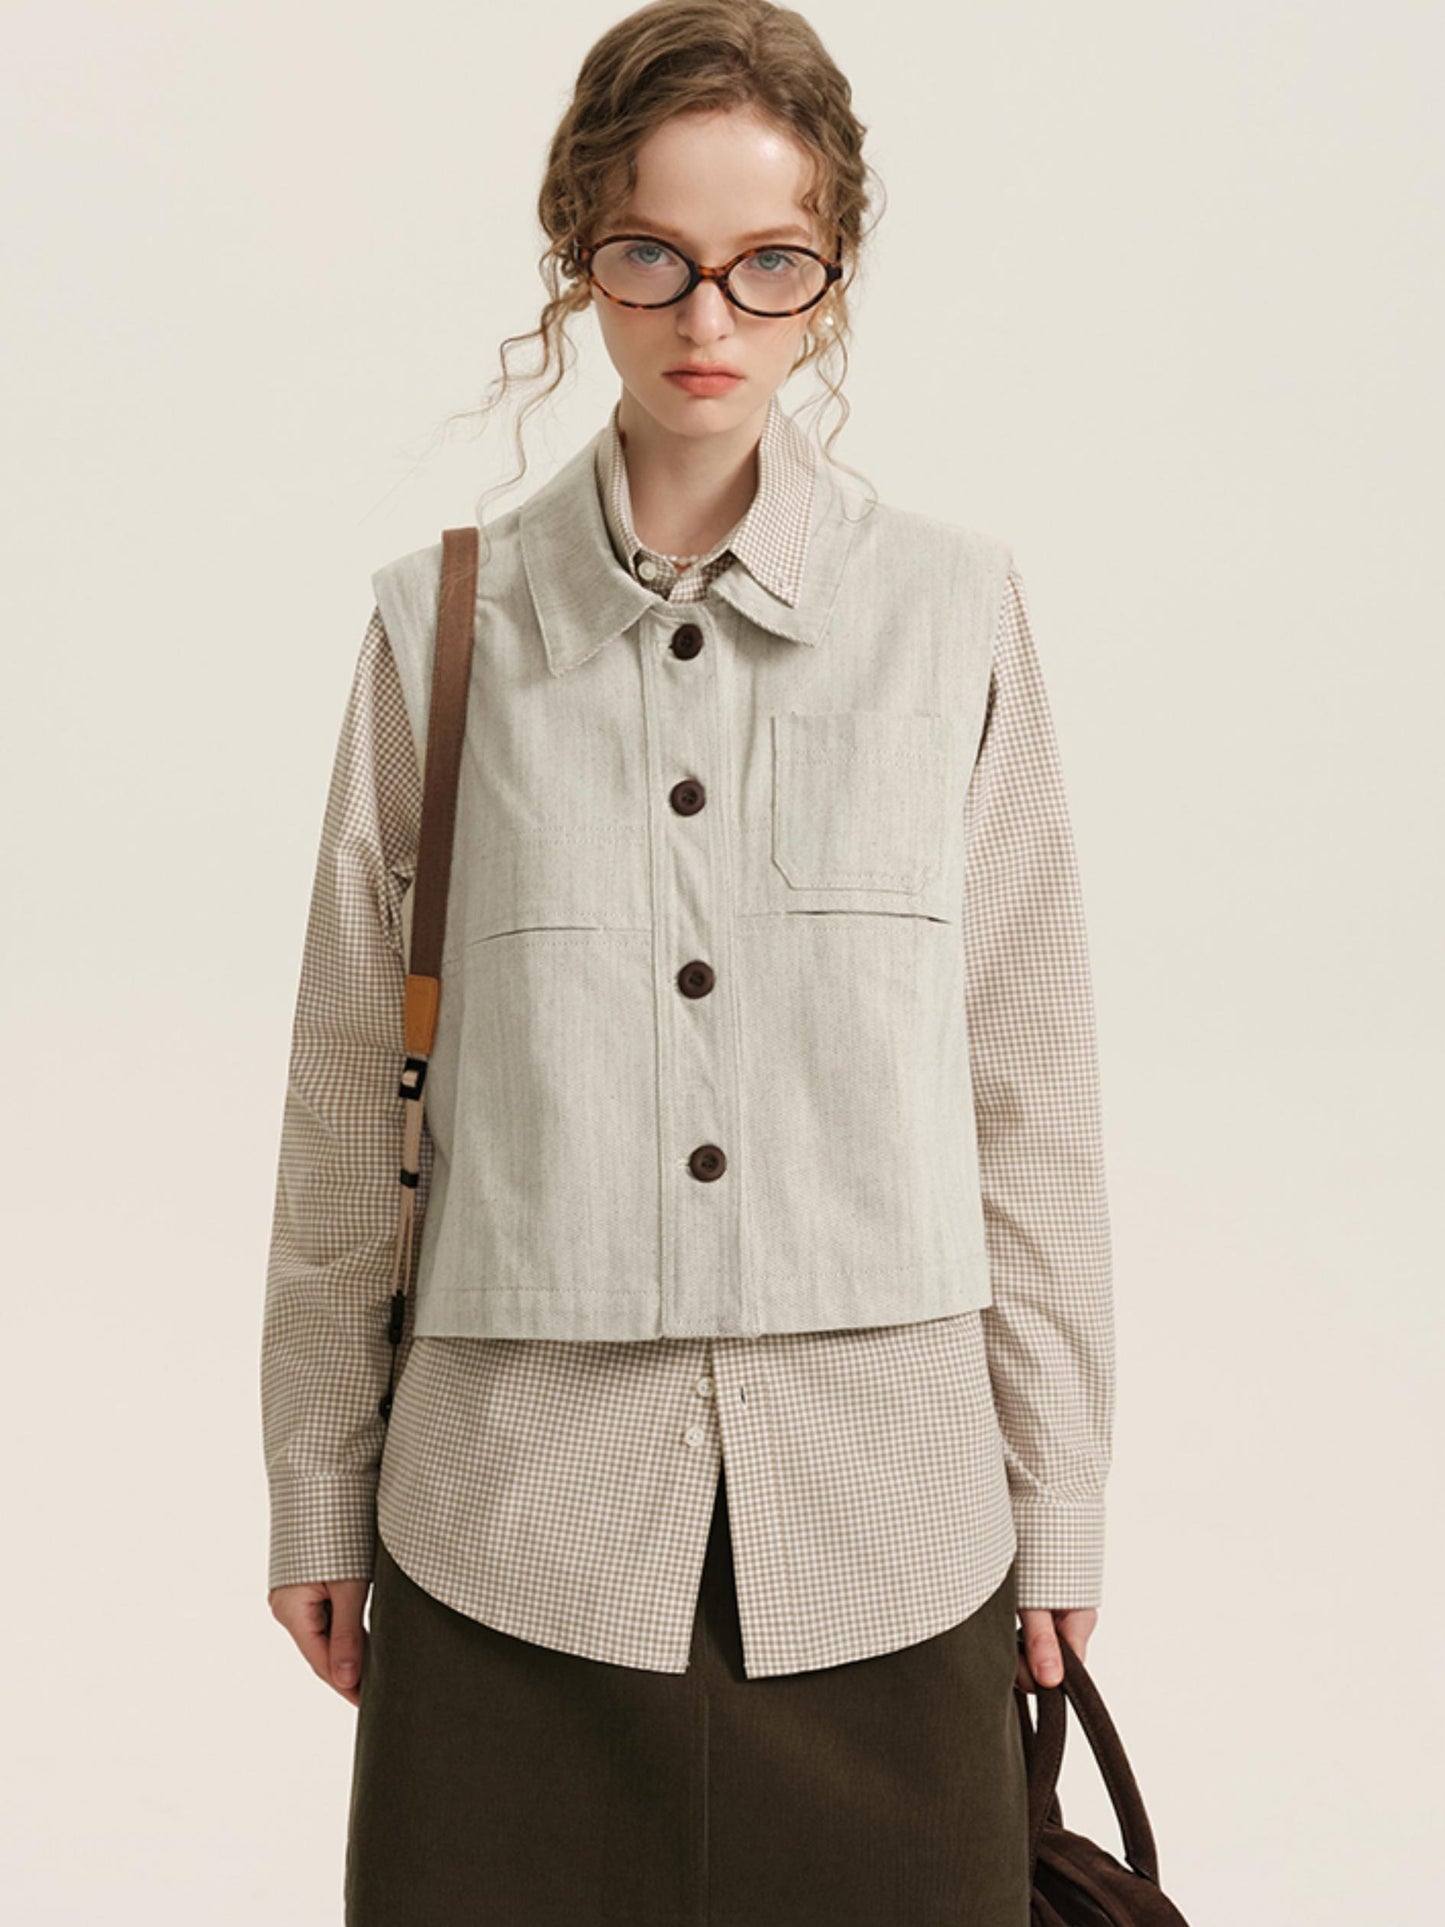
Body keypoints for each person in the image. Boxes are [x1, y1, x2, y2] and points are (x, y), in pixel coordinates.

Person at [260, 3, 1114, 1921]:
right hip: (506, 1539)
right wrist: (315, 1480)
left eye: (766, 262)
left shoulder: (953, 614)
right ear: (581, 256)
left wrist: (1055, 1493)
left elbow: (1029, 1092)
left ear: (832, 274)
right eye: (651, 255)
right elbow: (347, 1106)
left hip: (889, 1536)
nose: (706, 316)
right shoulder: (441, 633)